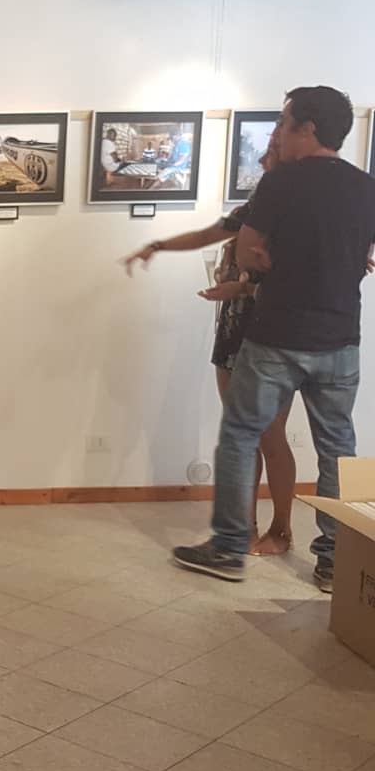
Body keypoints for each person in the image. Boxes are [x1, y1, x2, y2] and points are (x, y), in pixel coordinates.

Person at [174, 86, 375, 592]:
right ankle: (334, 561)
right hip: (340, 339)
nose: (279, 133)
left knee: (240, 435)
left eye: (285, 123)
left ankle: (228, 547)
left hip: (278, 337)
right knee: (338, 450)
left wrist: (265, 262)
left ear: (308, 128)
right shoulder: (365, 186)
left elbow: (247, 252)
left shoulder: (282, 182)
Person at [124, 145, 296, 555]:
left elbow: (294, 281)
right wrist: (160, 247)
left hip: (275, 336)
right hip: (234, 331)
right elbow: (211, 240)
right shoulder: (250, 211)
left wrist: (242, 287)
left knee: (271, 435)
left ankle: (282, 530)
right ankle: (245, 527)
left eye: (272, 153)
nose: (261, 161)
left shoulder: (296, 216)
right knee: (241, 435)